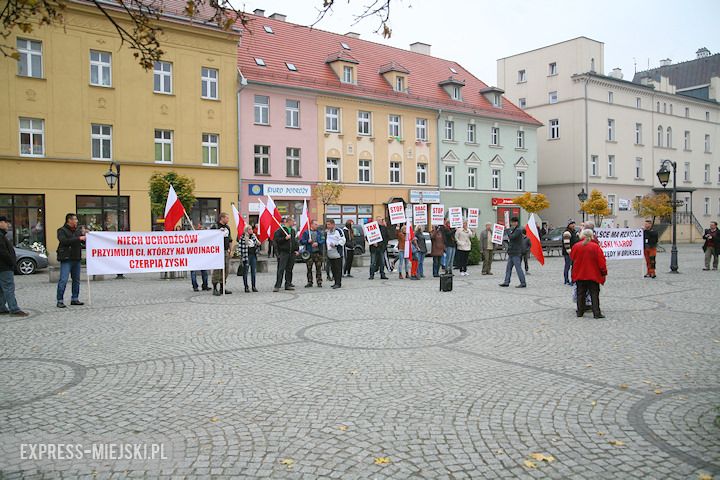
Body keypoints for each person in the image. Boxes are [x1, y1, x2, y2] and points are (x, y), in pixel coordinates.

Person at [571, 229, 607, 319]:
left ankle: (580, 312)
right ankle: (596, 313)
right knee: (594, 294)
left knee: (580, 293)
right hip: (593, 274)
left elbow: (572, 257)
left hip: (579, 273)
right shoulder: (595, 247)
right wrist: (604, 272)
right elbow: (601, 261)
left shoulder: (576, 246)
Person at [56, 213, 86, 308]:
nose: (76, 221)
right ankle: (60, 300)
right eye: (75, 219)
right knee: (63, 280)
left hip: (76, 258)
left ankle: (75, 298)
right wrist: (79, 238)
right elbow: (64, 241)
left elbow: (81, 242)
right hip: (66, 258)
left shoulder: (77, 231)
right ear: (69, 220)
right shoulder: (61, 230)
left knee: (76, 280)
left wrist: (85, 236)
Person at [0, 216, 28, 316]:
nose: (8, 225)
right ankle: (14, 309)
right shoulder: (0, 236)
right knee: (8, 288)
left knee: (2, 289)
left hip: (3, 266)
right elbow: (3, 252)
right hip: (4, 266)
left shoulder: (2, 235)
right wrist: (12, 262)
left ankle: (1, 307)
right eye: (6, 222)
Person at [499, 217, 527, 288]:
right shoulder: (513, 230)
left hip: (516, 253)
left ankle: (523, 283)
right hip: (511, 252)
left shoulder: (518, 230)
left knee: (518, 268)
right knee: (508, 268)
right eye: (511, 222)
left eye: (513, 222)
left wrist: (508, 231)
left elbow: (512, 237)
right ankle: (506, 282)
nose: (512, 224)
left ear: (516, 223)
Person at [273, 217, 298, 292]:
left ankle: (288, 284)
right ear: (288, 221)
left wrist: (296, 249)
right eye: (293, 221)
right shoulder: (280, 231)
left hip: (291, 253)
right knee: (281, 269)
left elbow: (294, 241)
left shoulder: (293, 231)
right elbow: (276, 241)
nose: (293, 223)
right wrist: (285, 239)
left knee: (289, 269)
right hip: (283, 253)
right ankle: (277, 285)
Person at [211, 212, 233, 296]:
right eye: (227, 218)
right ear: (222, 218)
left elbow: (230, 239)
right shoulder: (215, 227)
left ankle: (222, 287)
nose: (228, 219)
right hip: (217, 251)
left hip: (225, 251)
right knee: (217, 270)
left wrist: (230, 250)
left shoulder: (227, 228)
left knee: (225, 270)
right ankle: (215, 288)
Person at [300, 220, 325, 288]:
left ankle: (319, 281)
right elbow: (301, 241)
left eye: (317, 224)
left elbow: (323, 239)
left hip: (318, 253)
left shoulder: (319, 232)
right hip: (309, 253)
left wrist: (318, 243)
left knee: (318, 268)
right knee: (309, 268)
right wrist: (307, 241)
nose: (317, 225)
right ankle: (310, 282)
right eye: (316, 224)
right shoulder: (306, 232)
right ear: (311, 225)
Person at [238, 225, 259, 292]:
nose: (251, 230)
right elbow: (239, 247)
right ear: (246, 230)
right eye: (249, 229)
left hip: (253, 256)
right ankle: (246, 287)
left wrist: (258, 245)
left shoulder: (253, 236)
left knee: (253, 272)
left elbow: (257, 245)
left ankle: (254, 286)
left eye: (251, 229)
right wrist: (240, 256)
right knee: (245, 272)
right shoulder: (243, 237)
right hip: (246, 256)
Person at [325, 219, 346, 289]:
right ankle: (335, 282)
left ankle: (338, 283)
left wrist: (336, 244)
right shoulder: (328, 232)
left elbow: (343, 240)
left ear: (333, 224)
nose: (327, 226)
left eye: (329, 224)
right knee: (333, 268)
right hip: (330, 253)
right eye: (327, 224)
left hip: (337, 253)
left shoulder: (338, 231)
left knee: (338, 269)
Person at [562, 220, 580, 285]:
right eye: (572, 224)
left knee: (574, 267)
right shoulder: (567, 233)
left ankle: (573, 279)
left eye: (574, 224)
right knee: (567, 266)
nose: (573, 225)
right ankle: (566, 280)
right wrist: (570, 252)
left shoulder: (574, 232)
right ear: (569, 225)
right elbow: (566, 244)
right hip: (568, 253)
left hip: (574, 252)